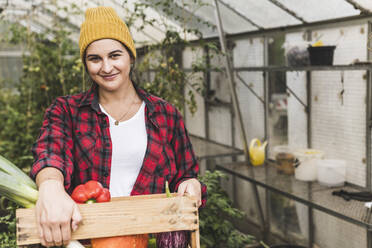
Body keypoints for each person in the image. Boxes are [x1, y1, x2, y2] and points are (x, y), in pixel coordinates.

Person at [31, 6, 207, 247]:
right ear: (85, 63)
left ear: (131, 57)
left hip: (150, 238)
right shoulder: (67, 111)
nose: (106, 67)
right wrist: (50, 187)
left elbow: (186, 174)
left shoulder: (165, 114)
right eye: (95, 58)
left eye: (115, 55)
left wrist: (192, 185)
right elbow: (51, 152)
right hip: (86, 239)